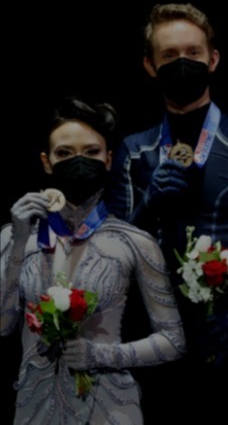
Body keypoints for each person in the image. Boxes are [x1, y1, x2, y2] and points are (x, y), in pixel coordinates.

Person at [103, 3, 228, 423]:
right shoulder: (134, 150)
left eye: (192, 52)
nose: (182, 63)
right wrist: (148, 208)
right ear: (150, 65)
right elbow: (110, 256)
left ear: (214, 59)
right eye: (169, 56)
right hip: (156, 332)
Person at [0, 97, 185, 424]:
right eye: (64, 153)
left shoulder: (135, 242)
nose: (79, 161)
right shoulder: (15, 237)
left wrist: (101, 355)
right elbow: (4, 325)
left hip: (110, 406)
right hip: (35, 407)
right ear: (46, 161)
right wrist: (16, 242)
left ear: (109, 159)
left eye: (91, 152)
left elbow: (173, 341)